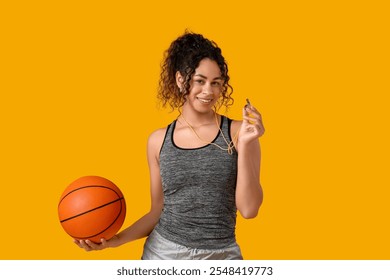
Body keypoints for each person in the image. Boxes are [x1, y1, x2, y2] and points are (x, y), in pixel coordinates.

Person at [75, 31, 265, 260]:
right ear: (180, 80)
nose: (208, 91)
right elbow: (157, 211)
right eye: (200, 81)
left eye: (216, 83)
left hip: (221, 257)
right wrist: (115, 241)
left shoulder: (239, 132)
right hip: (164, 254)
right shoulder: (158, 141)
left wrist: (245, 145)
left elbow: (249, 210)